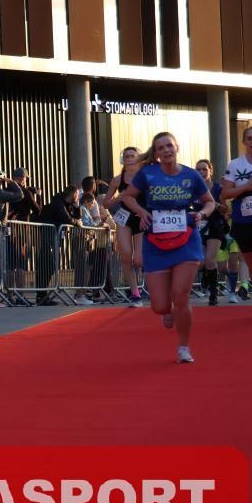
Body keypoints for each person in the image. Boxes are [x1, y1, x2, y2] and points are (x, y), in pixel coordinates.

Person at [122, 132, 215, 363]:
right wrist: (142, 211)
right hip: (155, 242)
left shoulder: (191, 175)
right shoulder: (148, 174)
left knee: (180, 295)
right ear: (156, 153)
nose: (166, 150)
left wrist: (202, 214)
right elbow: (128, 197)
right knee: (160, 305)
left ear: (177, 147)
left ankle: (184, 347)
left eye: (169, 146)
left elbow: (210, 201)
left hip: (186, 240)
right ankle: (167, 311)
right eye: (161, 148)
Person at [221, 126, 252, 317]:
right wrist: (245, 187)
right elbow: (225, 194)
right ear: (244, 142)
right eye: (250, 138)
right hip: (243, 222)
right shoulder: (235, 164)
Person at [103, 147, 145, 307]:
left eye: (133, 156)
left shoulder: (145, 178)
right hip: (124, 219)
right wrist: (117, 198)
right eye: (126, 156)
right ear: (122, 160)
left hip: (140, 218)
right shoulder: (117, 180)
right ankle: (135, 294)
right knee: (126, 256)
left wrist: (146, 212)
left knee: (139, 260)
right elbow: (105, 203)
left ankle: (152, 283)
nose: (130, 159)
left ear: (138, 158)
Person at [194, 159, 229, 306]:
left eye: (204, 169)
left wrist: (215, 204)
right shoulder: (193, 188)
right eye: (198, 169)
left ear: (210, 171)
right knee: (200, 261)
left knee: (210, 259)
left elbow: (226, 209)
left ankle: (213, 294)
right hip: (198, 226)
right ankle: (206, 276)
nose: (201, 172)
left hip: (215, 225)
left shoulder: (218, 188)